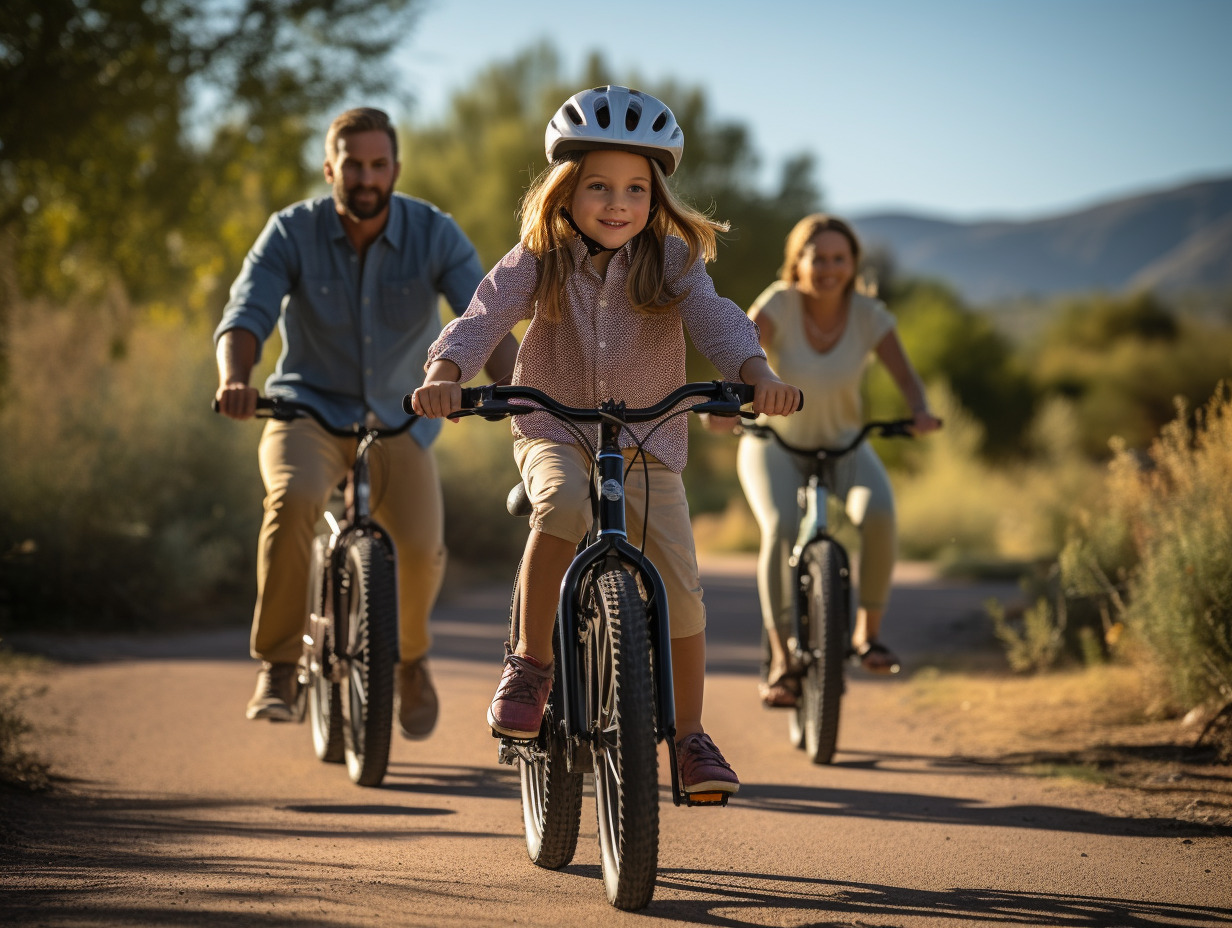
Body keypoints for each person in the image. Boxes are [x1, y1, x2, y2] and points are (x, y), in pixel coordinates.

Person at [411, 86, 801, 796]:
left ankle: (690, 736)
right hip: (553, 426)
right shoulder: (541, 253)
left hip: (648, 436)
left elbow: (718, 320)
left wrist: (757, 374)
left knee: (680, 582)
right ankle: (530, 665)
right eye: (598, 186)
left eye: (634, 188)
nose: (617, 203)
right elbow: (483, 315)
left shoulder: (673, 259)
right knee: (561, 507)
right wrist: (444, 374)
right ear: (566, 190)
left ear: (655, 198)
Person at [214, 107, 517, 735]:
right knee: (293, 498)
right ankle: (276, 663)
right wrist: (235, 380)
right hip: (305, 412)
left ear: (395, 169)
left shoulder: (434, 233)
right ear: (331, 169)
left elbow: (484, 319)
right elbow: (248, 312)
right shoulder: (290, 231)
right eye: (352, 165)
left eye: (378, 164)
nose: (366, 177)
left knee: (424, 550)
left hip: (400, 420)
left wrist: (517, 394)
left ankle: (408, 660)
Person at [726, 214, 941, 706]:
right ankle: (782, 660)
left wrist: (920, 411)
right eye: (817, 257)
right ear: (797, 262)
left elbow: (906, 377)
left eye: (838, 258)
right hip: (772, 443)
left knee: (881, 513)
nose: (828, 268)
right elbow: (739, 348)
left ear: (852, 264)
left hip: (846, 445)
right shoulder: (779, 303)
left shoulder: (869, 314)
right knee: (780, 528)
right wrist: (728, 404)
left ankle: (867, 635)